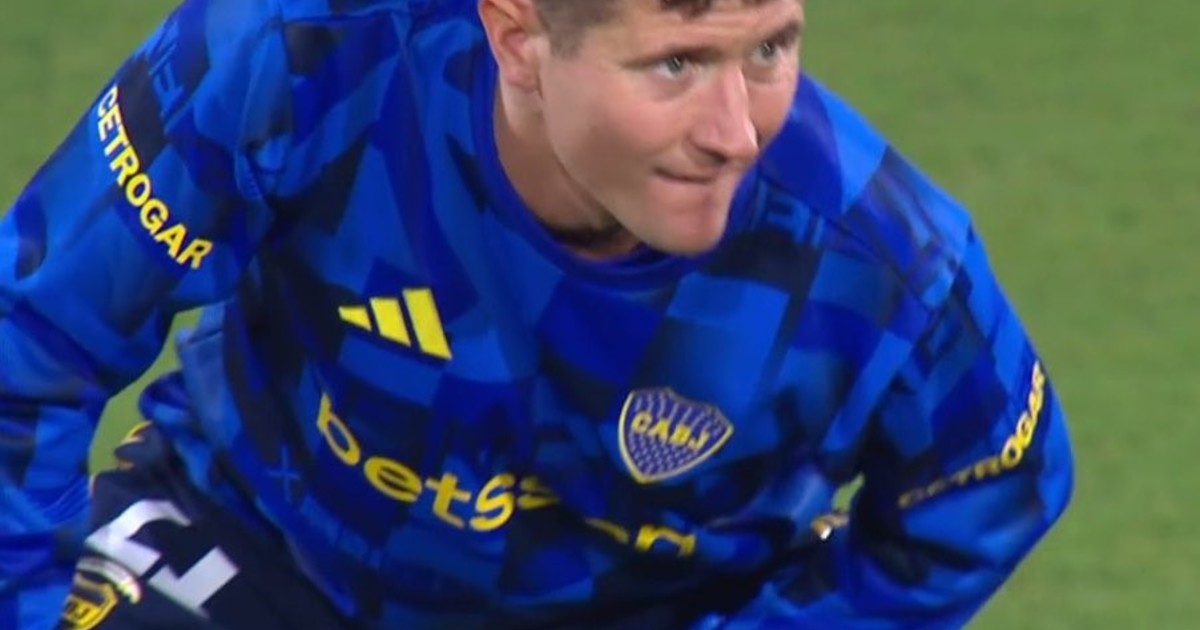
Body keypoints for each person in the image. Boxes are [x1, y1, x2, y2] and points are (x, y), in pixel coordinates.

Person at [0, 0, 1074, 627]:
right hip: (251, 540)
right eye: (678, 62)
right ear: (518, 35)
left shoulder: (884, 260)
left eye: (769, 48)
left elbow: (993, 486)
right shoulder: (302, 54)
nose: (737, 132)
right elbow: (32, 340)